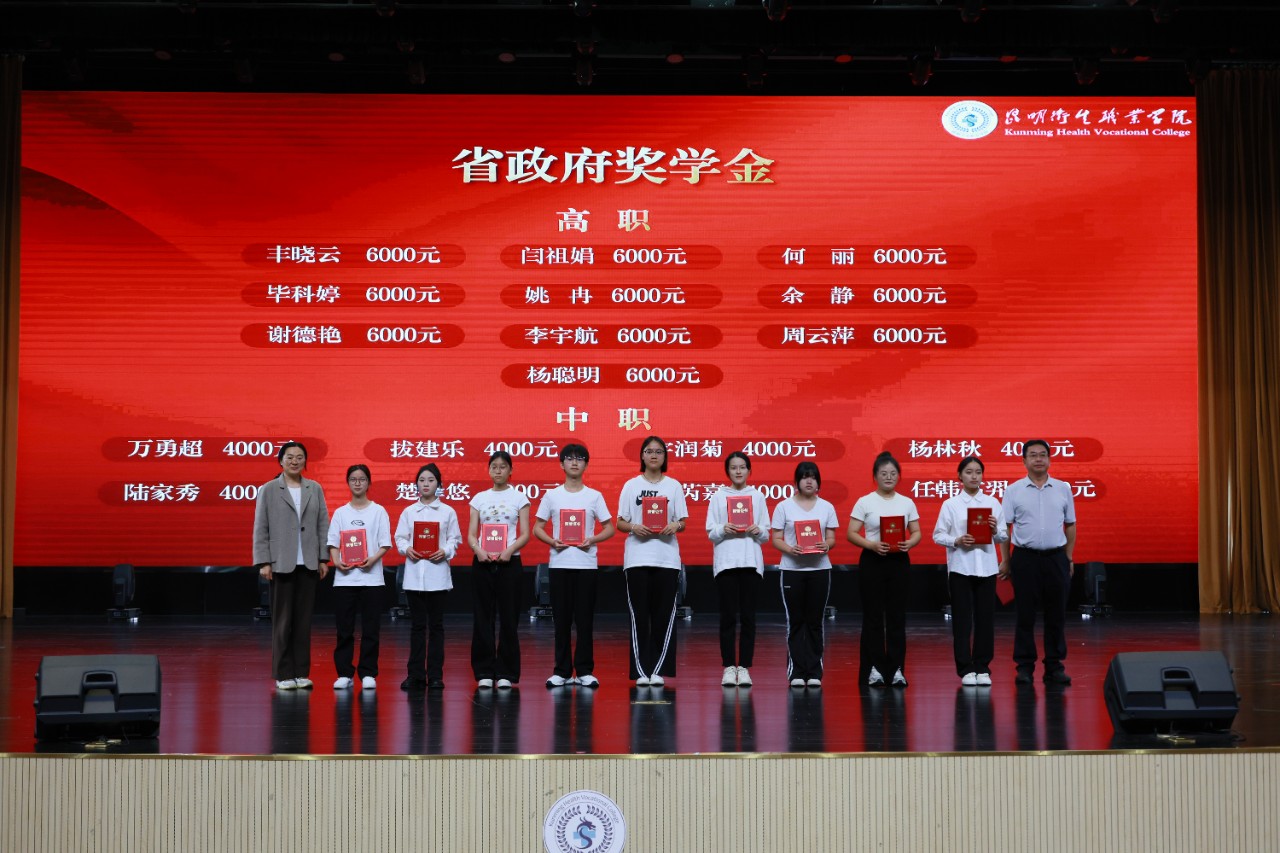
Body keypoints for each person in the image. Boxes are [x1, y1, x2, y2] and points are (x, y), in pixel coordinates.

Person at [532, 443, 615, 688]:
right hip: (559, 564)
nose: (575, 462)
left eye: (580, 458)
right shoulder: (552, 495)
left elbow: (609, 528)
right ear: (562, 464)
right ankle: (562, 671)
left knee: (585, 620)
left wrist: (592, 539)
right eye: (570, 458)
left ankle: (585, 671)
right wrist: (552, 541)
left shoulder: (594, 496)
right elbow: (537, 528)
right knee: (561, 621)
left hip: (586, 565)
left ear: (586, 464)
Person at [252, 440, 329, 690]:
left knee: (303, 622)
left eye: (299, 457)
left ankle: (301, 672)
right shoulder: (269, 489)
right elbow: (261, 527)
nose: (295, 461)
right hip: (280, 563)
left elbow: (322, 524)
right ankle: (284, 674)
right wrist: (264, 561)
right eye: (289, 457)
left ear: (305, 461)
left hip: (308, 563)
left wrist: (323, 558)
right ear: (280, 461)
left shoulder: (314, 488)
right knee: (282, 622)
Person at [999, 439, 1077, 685]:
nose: (1038, 459)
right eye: (1033, 455)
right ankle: (1024, 667)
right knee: (1025, 615)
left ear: (1049, 459)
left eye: (1043, 454)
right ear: (1024, 461)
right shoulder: (1013, 490)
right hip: (1025, 558)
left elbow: (1071, 524)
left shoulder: (1063, 488)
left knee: (1056, 615)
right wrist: (1006, 560)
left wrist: (1068, 556)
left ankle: (1054, 666)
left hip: (1056, 558)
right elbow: (1005, 528)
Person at [616, 436, 689, 686]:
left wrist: (675, 525)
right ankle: (640, 671)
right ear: (642, 456)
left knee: (664, 617)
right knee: (639, 617)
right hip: (637, 558)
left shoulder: (674, 486)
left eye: (659, 451)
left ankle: (659, 670)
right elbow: (620, 522)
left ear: (664, 456)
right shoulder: (631, 485)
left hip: (667, 559)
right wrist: (634, 527)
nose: (654, 455)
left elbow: (683, 521)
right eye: (649, 451)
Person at [847, 451, 922, 688]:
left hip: (899, 561)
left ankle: (896, 669)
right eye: (883, 473)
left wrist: (910, 543)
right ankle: (874, 669)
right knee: (873, 617)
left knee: (897, 617)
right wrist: (871, 544)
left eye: (893, 473)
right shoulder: (865, 501)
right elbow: (851, 533)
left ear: (898, 476)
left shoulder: (906, 502)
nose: (888, 477)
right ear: (875, 476)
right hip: (872, 561)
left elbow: (916, 532)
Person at [932, 455, 1008, 687]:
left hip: (986, 568)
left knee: (985, 620)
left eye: (978, 472)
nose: (974, 476)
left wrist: (994, 531)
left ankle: (983, 667)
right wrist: (956, 540)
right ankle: (965, 668)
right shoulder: (951, 504)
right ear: (959, 476)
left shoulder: (993, 502)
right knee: (962, 621)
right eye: (969, 472)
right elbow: (937, 535)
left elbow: (1003, 536)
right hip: (961, 568)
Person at [770, 461, 838, 689]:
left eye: (813, 477)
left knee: (815, 621)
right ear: (796, 481)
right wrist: (790, 549)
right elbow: (776, 538)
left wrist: (826, 545)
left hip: (820, 570)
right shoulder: (783, 507)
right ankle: (796, 672)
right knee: (796, 621)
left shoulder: (826, 507)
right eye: (804, 477)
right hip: (792, 570)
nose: (809, 481)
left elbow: (831, 538)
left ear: (818, 482)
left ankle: (814, 671)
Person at [467, 450, 531, 689]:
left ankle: (506, 672)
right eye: (494, 466)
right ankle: (484, 671)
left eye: (503, 466)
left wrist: (509, 550)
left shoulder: (519, 498)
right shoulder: (479, 498)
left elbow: (525, 533)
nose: (498, 470)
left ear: (510, 471)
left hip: (510, 563)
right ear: (488, 470)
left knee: (509, 618)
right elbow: (471, 534)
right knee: (482, 617)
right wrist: (478, 550)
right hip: (482, 563)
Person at [394, 463, 461, 691]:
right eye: (422, 480)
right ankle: (415, 675)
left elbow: (454, 539)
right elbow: (400, 537)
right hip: (414, 575)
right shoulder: (409, 512)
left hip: (437, 576)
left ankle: (435, 675)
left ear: (439, 484)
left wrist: (446, 551)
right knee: (417, 627)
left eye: (431, 480)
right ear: (416, 484)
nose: (426, 484)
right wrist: (406, 549)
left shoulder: (447, 511)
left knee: (436, 627)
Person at [706, 451, 769, 688]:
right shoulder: (718, 497)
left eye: (742, 467)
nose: (738, 471)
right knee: (728, 617)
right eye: (734, 468)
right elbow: (711, 532)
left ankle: (744, 667)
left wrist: (757, 530)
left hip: (750, 562)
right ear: (727, 471)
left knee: (749, 617)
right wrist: (724, 528)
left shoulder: (758, 496)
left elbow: (766, 534)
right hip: (726, 564)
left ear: (749, 470)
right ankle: (728, 667)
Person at [326, 464, 392, 691]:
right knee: (344, 629)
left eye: (362, 479)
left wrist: (373, 559)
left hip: (372, 579)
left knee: (371, 629)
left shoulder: (379, 511)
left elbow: (385, 543)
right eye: (353, 479)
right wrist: (336, 561)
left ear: (369, 483)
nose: (357, 483)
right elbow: (333, 542)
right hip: (345, 579)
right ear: (348, 482)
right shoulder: (341, 513)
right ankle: (344, 673)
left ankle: (368, 673)